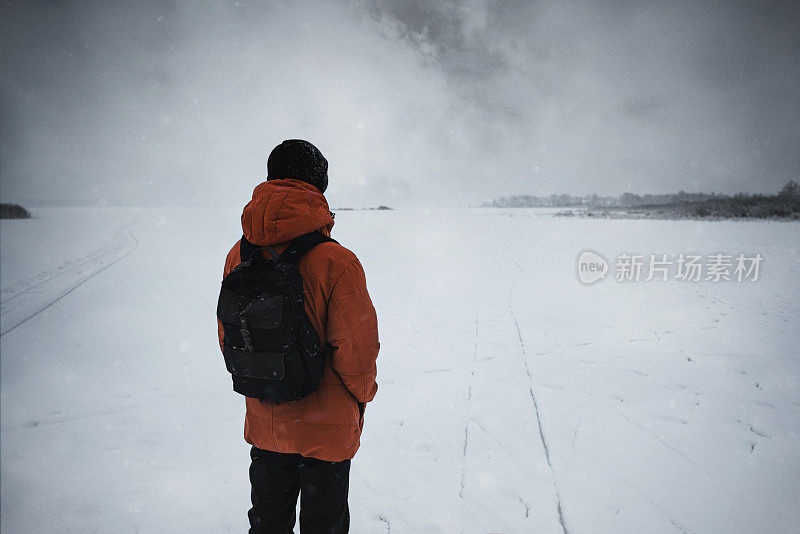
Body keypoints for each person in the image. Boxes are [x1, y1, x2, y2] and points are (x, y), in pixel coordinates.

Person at [217, 139, 380, 533]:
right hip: (327, 424)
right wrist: (361, 397)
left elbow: (229, 335)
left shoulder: (238, 255)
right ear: (318, 186)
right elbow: (357, 351)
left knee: (268, 522)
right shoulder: (337, 260)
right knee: (324, 525)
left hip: (267, 418)